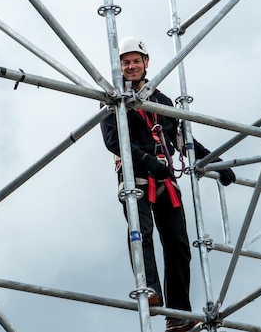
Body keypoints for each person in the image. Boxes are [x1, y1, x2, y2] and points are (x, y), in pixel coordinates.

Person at [100, 36, 236, 332]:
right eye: (126, 62)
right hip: (136, 174)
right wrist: (147, 161)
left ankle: (178, 313)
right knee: (142, 231)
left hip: (165, 180)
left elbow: (184, 140)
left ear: (146, 63)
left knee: (178, 245)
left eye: (136, 61)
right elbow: (113, 140)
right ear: (119, 67)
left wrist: (215, 161)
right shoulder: (113, 98)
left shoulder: (162, 101)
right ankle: (149, 287)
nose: (131, 66)